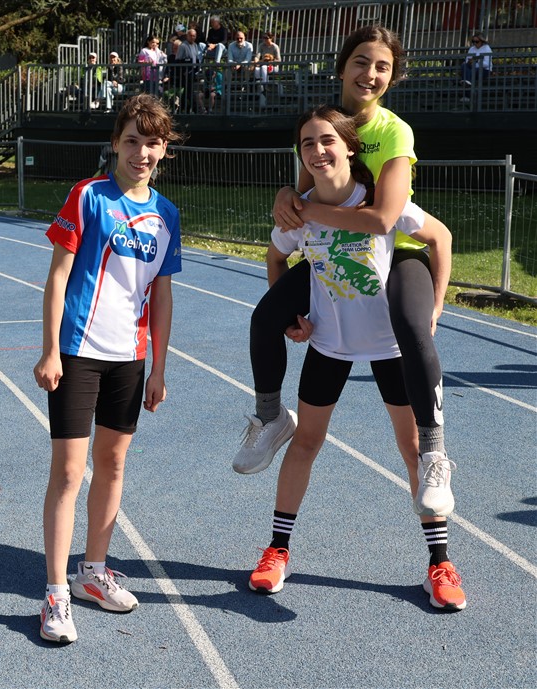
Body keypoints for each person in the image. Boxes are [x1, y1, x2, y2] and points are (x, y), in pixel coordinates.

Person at [235, 25, 458, 524]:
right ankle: (270, 417)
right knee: (265, 318)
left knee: (411, 325)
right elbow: (300, 196)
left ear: (393, 77)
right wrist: (288, 199)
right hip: (334, 250)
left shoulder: (394, 131)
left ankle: (434, 451)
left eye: (383, 67)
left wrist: (306, 213)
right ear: (341, 68)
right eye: (361, 61)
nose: (370, 74)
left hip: (397, 251)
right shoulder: (321, 126)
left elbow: (382, 218)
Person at [248, 105, 464, 612]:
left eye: (328, 140)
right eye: (307, 143)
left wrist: (434, 308)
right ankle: (277, 550)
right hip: (331, 343)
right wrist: (292, 314)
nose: (318, 150)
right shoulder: (299, 211)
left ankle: (440, 563)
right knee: (306, 442)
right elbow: (276, 255)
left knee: (414, 449)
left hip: (390, 347)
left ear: (350, 147)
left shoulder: (379, 204)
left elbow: (441, 237)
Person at [34, 94, 182, 644]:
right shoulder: (88, 196)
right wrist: (51, 350)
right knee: (69, 473)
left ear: (164, 150)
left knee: (113, 465)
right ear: (115, 143)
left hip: (130, 358)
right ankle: (55, 594)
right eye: (132, 141)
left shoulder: (167, 214)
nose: (142, 153)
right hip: (78, 352)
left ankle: (92, 570)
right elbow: (57, 276)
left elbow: (161, 295)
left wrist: (158, 368)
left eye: (152, 143)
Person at [460, 33, 492, 101]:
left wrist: (477, 61)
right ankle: (467, 84)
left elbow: (487, 64)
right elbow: (467, 60)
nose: (475, 43)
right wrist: (469, 62)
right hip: (472, 68)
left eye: (477, 41)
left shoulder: (486, 48)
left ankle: (467, 95)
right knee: (464, 65)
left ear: (482, 41)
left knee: (469, 73)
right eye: (473, 41)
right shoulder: (472, 49)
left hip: (484, 70)